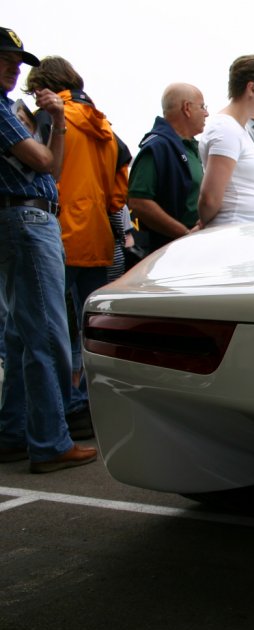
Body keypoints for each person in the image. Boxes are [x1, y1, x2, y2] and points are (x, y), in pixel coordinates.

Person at [0, 27, 96, 472]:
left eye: (17, 59)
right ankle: (51, 440)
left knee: (23, 336)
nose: (14, 66)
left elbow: (52, 165)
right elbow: (42, 161)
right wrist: (48, 123)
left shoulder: (10, 108)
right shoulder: (2, 109)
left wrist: (56, 121)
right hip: (25, 217)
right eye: (5, 57)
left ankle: (16, 434)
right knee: (47, 337)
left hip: (27, 216)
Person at [24, 56, 128, 433]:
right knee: (95, 326)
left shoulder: (53, 117)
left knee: (53, 327)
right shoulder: (104, 125)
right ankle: (93, 401)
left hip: (57, 229)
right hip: (98, 233)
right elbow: (120, 189)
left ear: (43, 86)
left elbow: (39, 167)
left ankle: (64, 409)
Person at [198, 55, 254, 227]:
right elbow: (209, 199)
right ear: (252, 89)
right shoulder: (225, 129)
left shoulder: (238, 130)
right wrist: (204, 224)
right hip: (239, 233)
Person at [128, 82, 207, 253]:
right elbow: (139, 201)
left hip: (198, 245)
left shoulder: (194, 148)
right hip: (172, 251)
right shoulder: (157, 148)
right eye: (202, 107)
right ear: (187, 108)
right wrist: (184, 233)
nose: (207, 113)